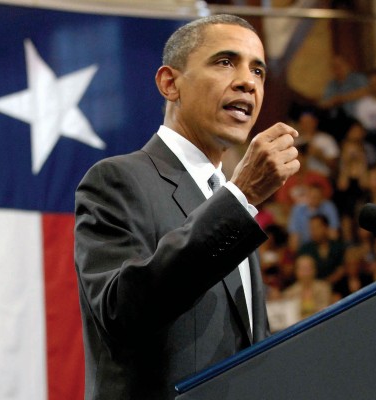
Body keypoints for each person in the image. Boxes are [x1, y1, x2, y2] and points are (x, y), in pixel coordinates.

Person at [74, 15, 300, 400]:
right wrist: (239, 198)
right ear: (170, 83)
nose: (248, 81)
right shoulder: (117, 180)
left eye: (258, 70)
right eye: (225, 62)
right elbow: (120, 313)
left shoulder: (229, 200)